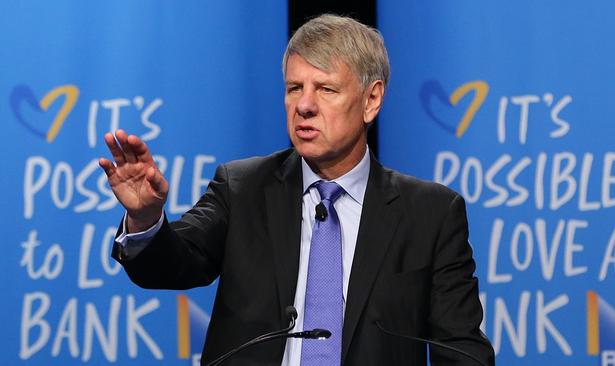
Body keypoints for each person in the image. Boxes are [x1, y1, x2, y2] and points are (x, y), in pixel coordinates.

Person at [99, 14, 494, 366]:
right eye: (293, 88)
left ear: (371, 100)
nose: (304, 105)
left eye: (325, 89)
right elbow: (174, 264)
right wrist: (146, 218)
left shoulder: (431, 214)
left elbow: (462, 350)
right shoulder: (242, 188)